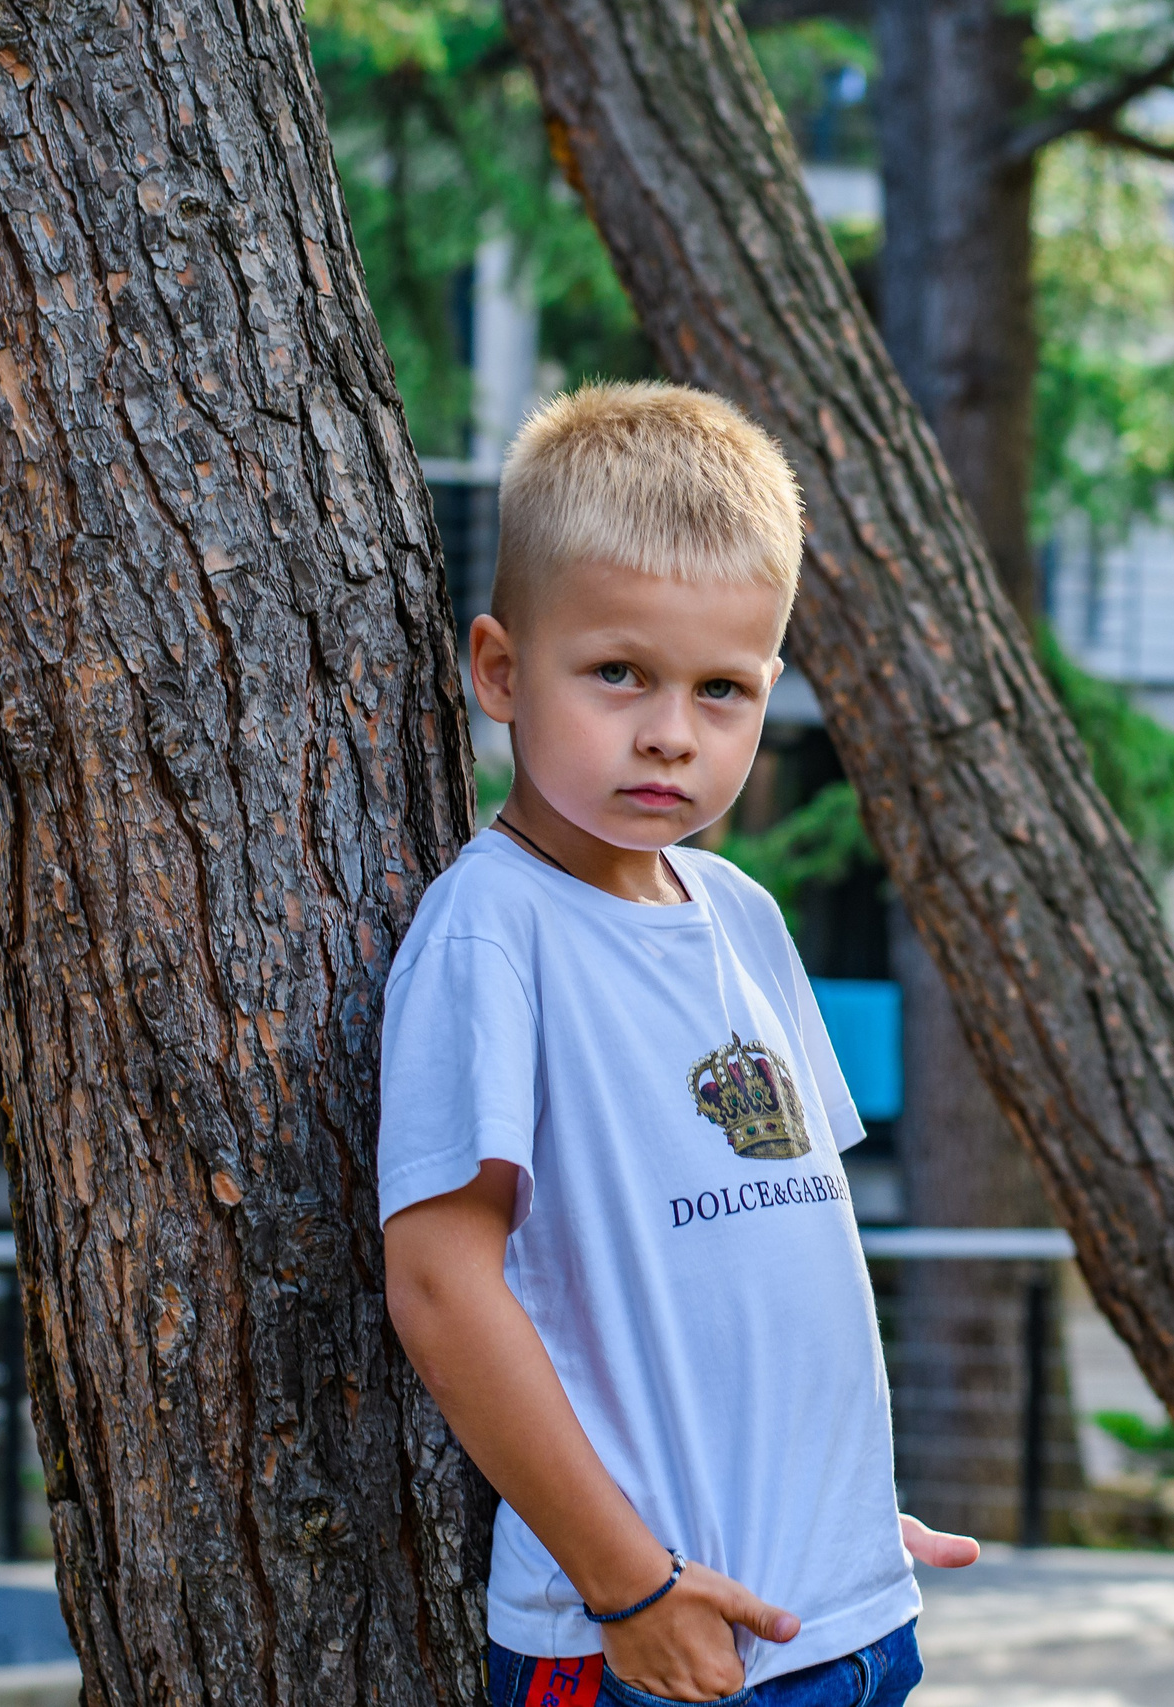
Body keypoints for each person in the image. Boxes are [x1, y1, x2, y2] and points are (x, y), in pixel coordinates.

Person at [378, 382, 976, 1707]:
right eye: (618, 674)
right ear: (497, 671)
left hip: (844, 1616)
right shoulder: (494, 934)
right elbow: (438, 1284)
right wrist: (627, 1587)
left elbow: (774, 1260)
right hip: (655, 1646)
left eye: (724, 690)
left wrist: (835, 1523)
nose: (669, 732)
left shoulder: (746, 917)